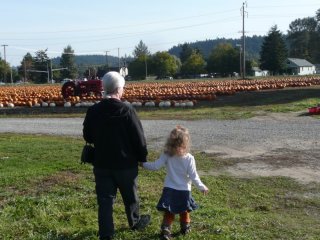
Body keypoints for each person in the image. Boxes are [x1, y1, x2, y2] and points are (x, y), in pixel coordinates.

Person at [83, 71, 150, 240]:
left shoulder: (93, 110)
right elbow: (138, 137)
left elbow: (88, 136)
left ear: (105, 88)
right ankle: (134, 222)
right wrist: (143, 157)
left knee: (105, 201)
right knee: (130, 196)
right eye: (123, 88)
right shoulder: (127, 110)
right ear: (119, 89)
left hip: (102, 163)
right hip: (125, 164)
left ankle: (106, 234)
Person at [141, 125, 209, 240]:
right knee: (183, 210)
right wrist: (201, 186)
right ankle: (183, 227)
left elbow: (155, 166)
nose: (178, 149)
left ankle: (168, 229)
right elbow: (194, 176)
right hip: (183, 190)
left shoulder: (168, 155)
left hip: (170, 189)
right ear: (186, 144)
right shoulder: (189, 158)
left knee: (171, 211)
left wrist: (143, 164)